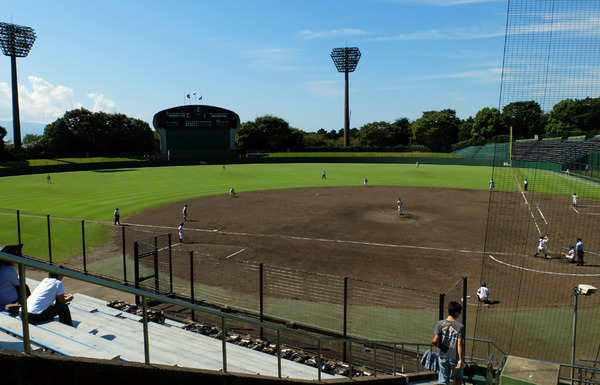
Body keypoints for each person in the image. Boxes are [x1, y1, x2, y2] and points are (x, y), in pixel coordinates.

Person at [431, 301, 464, 385]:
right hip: (454, 357)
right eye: (459, 313)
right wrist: (460, 359)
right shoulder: (459, 326)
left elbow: (435, 339)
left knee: (443, 380)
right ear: (456, 313)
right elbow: (459, 344)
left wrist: (433, 342)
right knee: (458, 378)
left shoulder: (440, 323)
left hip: (442, 355)